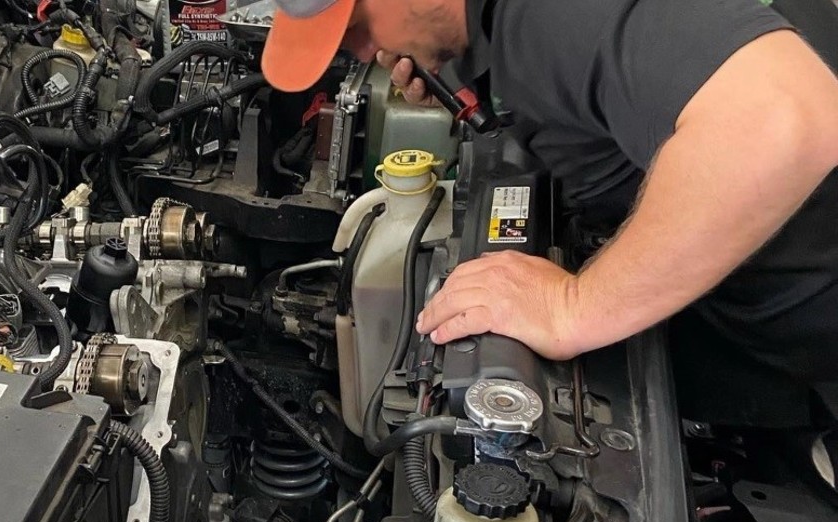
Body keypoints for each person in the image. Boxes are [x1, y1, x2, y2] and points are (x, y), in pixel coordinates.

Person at [260, 0, 838, 409]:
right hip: (754, 322)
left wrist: (574, 307)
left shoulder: (552, 12)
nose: (365, 52)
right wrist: (469, 75)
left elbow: (781, 121)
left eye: (358, 26)